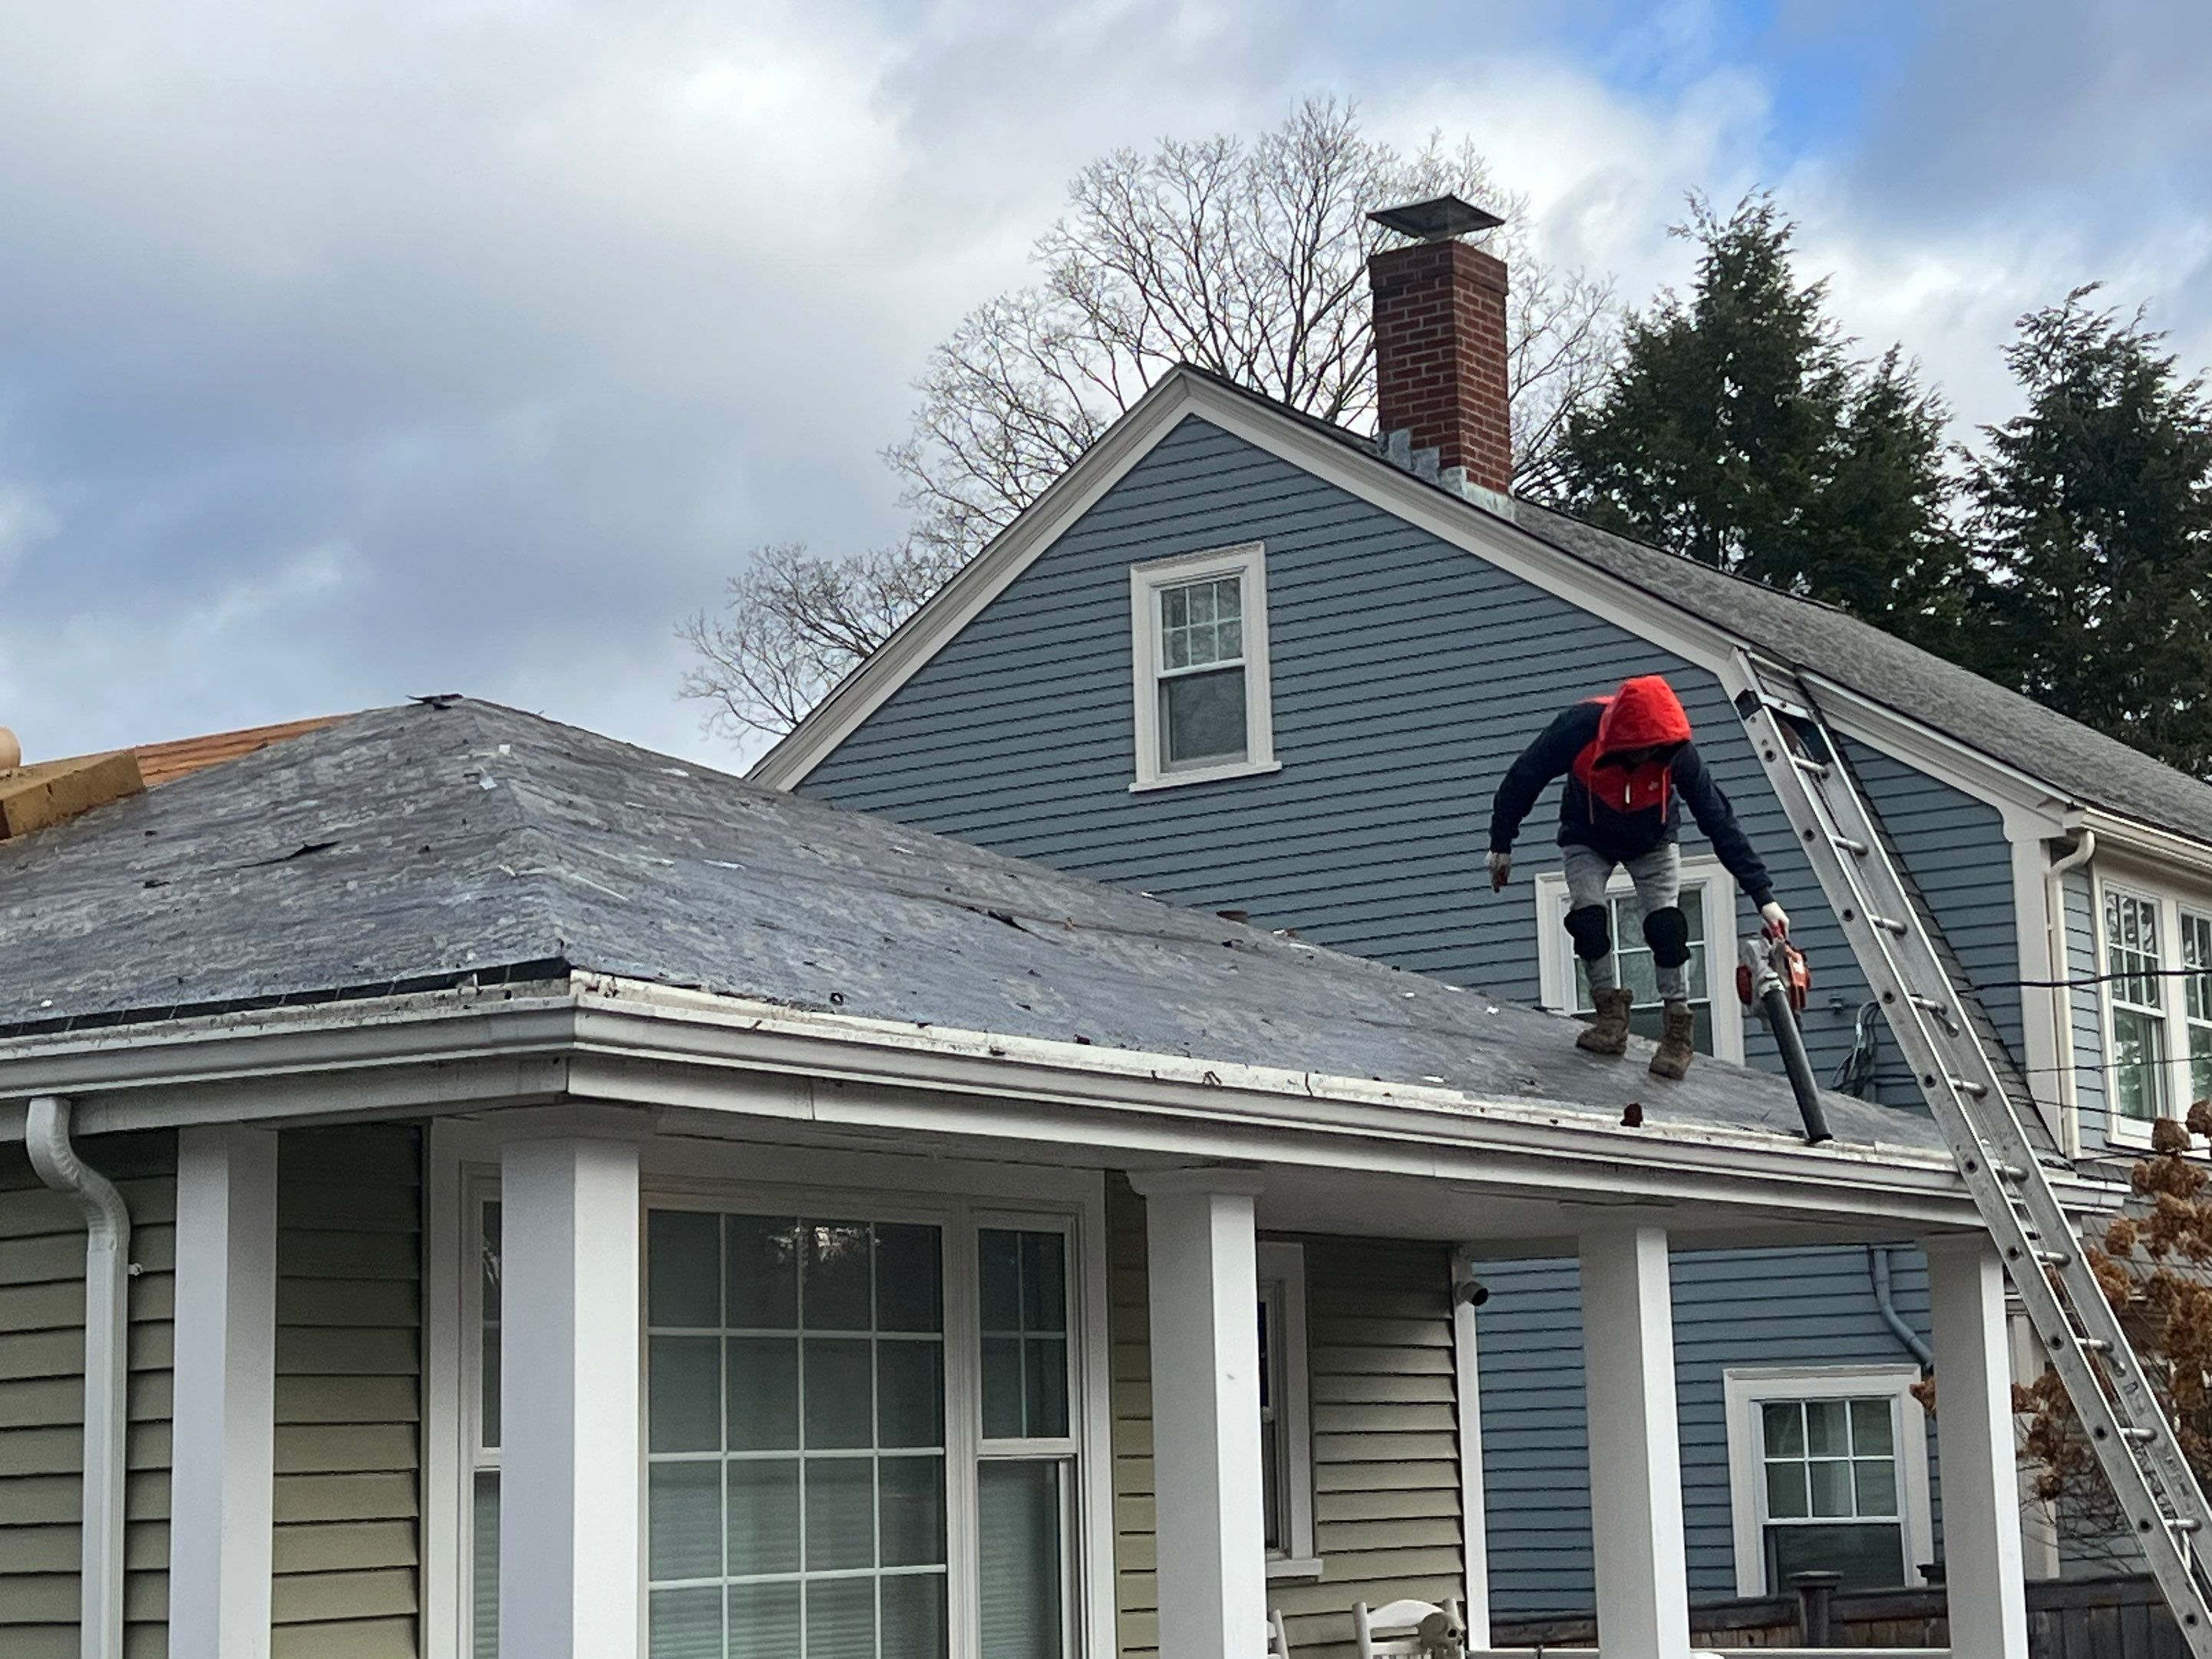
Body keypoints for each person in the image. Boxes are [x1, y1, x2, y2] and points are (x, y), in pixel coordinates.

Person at [1487, 673, 1788, 1080]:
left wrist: (1763, 895)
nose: (1648, 759)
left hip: (1653, 841)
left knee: (1666, 926)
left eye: (1655, 753)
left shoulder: (1677, 752)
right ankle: (1610, 1017)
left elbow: (1719, 820)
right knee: (1587, 919)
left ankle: (1678, 1030)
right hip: (1587, 837)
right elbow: (1523, 779)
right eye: (1640, 752)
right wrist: (1501, 844)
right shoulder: (1577, 729)